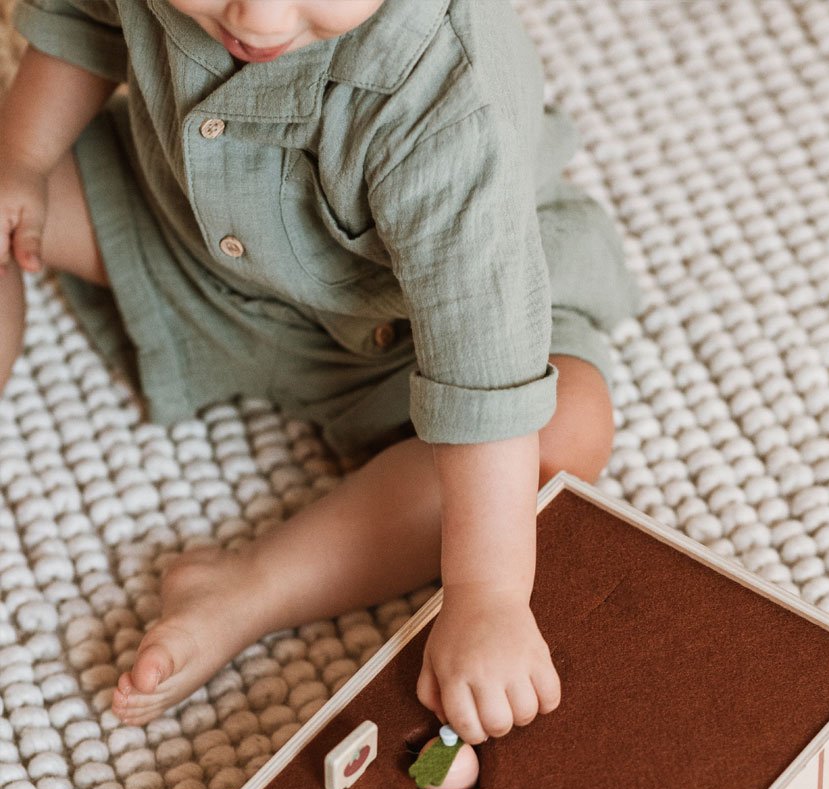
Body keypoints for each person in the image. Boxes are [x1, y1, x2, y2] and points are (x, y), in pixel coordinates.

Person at [0, 0, 641, 739]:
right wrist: (22, 159)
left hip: (404, 334)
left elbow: (481, 360)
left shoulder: (448, 100)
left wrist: (487, 595)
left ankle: (255, 588)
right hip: (190, 248)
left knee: (563, 432)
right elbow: (87, 24)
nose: (260, 20)